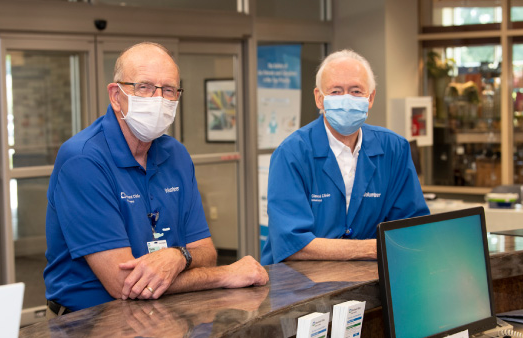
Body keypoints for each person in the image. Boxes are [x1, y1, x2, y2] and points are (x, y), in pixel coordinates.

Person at [44, 42, 268, 315]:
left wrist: (178, 256)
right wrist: (225, 276)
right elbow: (124, 283)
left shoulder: (176, 154)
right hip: (90, 321)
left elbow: (206, 253)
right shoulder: (83, 160)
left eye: (169, 90)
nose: (159, 99)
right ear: (116, 96)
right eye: (144, 87)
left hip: (167, 313)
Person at [260, 49, 429, 265]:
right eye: (336, 91)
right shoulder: (292, 154)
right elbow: (293, 244)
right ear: (319, 98)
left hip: (367, 281)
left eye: (356, 91)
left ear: (371, 97)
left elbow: (412, 228)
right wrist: (371, 248)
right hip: (299, 286)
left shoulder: (394, 149)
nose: (346, 99)